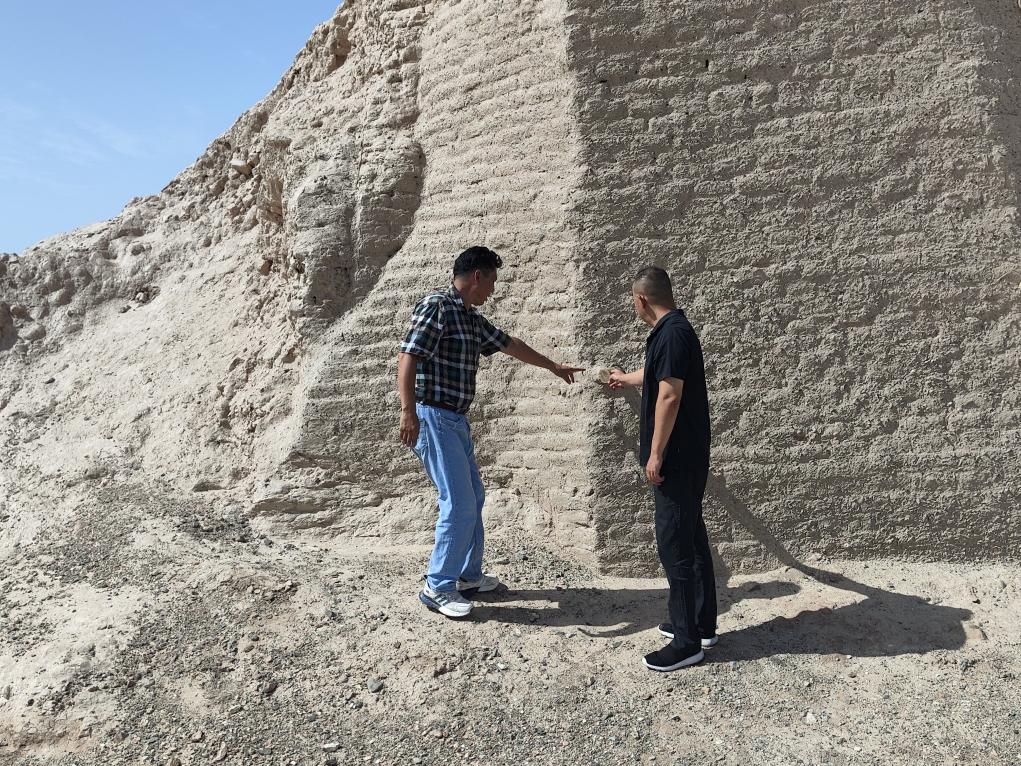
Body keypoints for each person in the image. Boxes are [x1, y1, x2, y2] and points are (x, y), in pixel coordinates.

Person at [397, 246, 584, 619]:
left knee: (474, 497)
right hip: (433, 416)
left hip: (455, 420)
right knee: (459, 503)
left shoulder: (470, 318)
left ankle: (467, 577)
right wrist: (408, 412)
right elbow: (408, 356)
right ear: (477, 276)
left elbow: (509, 344)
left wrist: (552, 366)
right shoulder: (437, 307)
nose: (493, 290)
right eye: (492, 282)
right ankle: (438, 586)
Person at [607, 265, 717, 670]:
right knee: (691, 537)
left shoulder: (671, 334)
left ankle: (687, 643)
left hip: (676, 459)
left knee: (675, 545)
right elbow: (659, 375)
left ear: (641, 299)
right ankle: (700, 625)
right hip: (688, 455)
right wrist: (626, 378)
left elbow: (669, 396)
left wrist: (655, 454)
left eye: (632, 301)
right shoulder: (674, 331)